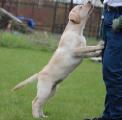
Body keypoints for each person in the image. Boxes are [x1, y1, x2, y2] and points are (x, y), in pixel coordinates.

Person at [85, 0, 122, 120]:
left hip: (119, 15)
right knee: (110, 74)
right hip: (107, 13)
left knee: (112, 71)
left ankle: (116, 116)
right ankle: (108, 116)